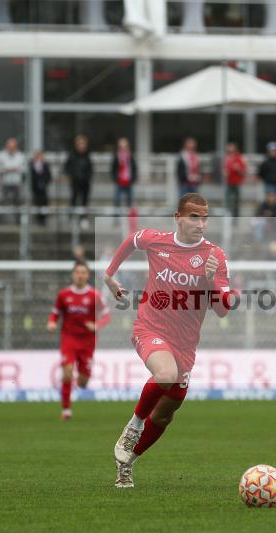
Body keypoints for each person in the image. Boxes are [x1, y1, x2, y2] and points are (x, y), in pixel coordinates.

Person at [104, 193, 236, 489]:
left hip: (185, 345)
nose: (200, 223)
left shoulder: (215, 256)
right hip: (150, 327)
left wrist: (212, 281)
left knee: (164, 416)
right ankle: (134, 426)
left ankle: (126, 461)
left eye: (204, 218)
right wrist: (109, 275)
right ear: (178, 217)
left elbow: (223, 310)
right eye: (194, 217)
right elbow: (131, 240)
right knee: (165, 374)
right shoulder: (157, 240)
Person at [47, 262, 110, 421]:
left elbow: (107, 316)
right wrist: (52, 322)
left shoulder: (94, 296)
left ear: (87, 275)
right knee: (67, 372)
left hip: (88, 342)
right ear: (73, 274)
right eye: (77, 272)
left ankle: (79, 380)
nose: (80, 275)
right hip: (69, 339)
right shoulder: (63, 294)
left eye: (83, 272)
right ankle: (66, 410)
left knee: (83, 382)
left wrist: (97, 325)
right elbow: (55, 313)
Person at [65, 135, 94, 219]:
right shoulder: (72, 155)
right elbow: (67, 167)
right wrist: (73, 175)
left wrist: (87, 177)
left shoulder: (87, 155)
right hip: (75, 182)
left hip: (85, 182)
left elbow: (90, 168)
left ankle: (83, 218)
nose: (82, 145)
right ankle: (71, 217)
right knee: (74, 199)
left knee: (84, 201)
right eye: (80, 144)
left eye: (83, 144)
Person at [0, 137, 26, 220]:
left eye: (13, 147)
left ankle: (19, 220)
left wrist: (11, 169)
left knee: (18, 201)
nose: (11, 148)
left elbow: (23, 169)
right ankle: (1, 219)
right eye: (9, 147)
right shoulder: (2, 156)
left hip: (16, 182)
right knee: (3, 201)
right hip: (5, 182)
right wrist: (10, 169)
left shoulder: (21, 156)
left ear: (16, 147)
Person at [111, 137, 137, 210]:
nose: (123, 148)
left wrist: (133, 179)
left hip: (128, 181)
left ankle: (128, 219)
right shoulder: (116, 157)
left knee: (129, 201)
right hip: (119, 182)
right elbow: (113, 169)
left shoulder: (130, 157)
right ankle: (116, 219)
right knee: (117, 200)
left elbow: (134, 168)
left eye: (125, 146)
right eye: (121, 147)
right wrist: (115, 179)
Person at [224, 142, 247, 219]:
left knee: (236, 201)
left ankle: (235, 218)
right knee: (228, 201)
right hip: (228, 182)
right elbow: (224, 169)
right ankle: (228, 217)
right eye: (229, 147)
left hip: (237, 182)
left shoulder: (239, 157)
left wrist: (238, 169)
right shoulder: (226, 158)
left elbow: (244, 171)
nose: (230, 149)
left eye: (231, 147)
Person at [29, 150, 52, 226]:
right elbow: (30, 176)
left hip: (43, 188)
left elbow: (49, 176)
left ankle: (43, 219)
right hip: (35, 188)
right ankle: (38, 218)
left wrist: (44, 183)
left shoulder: (45, 165)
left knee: (44, 202)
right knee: (36, 202)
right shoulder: (31, 165)